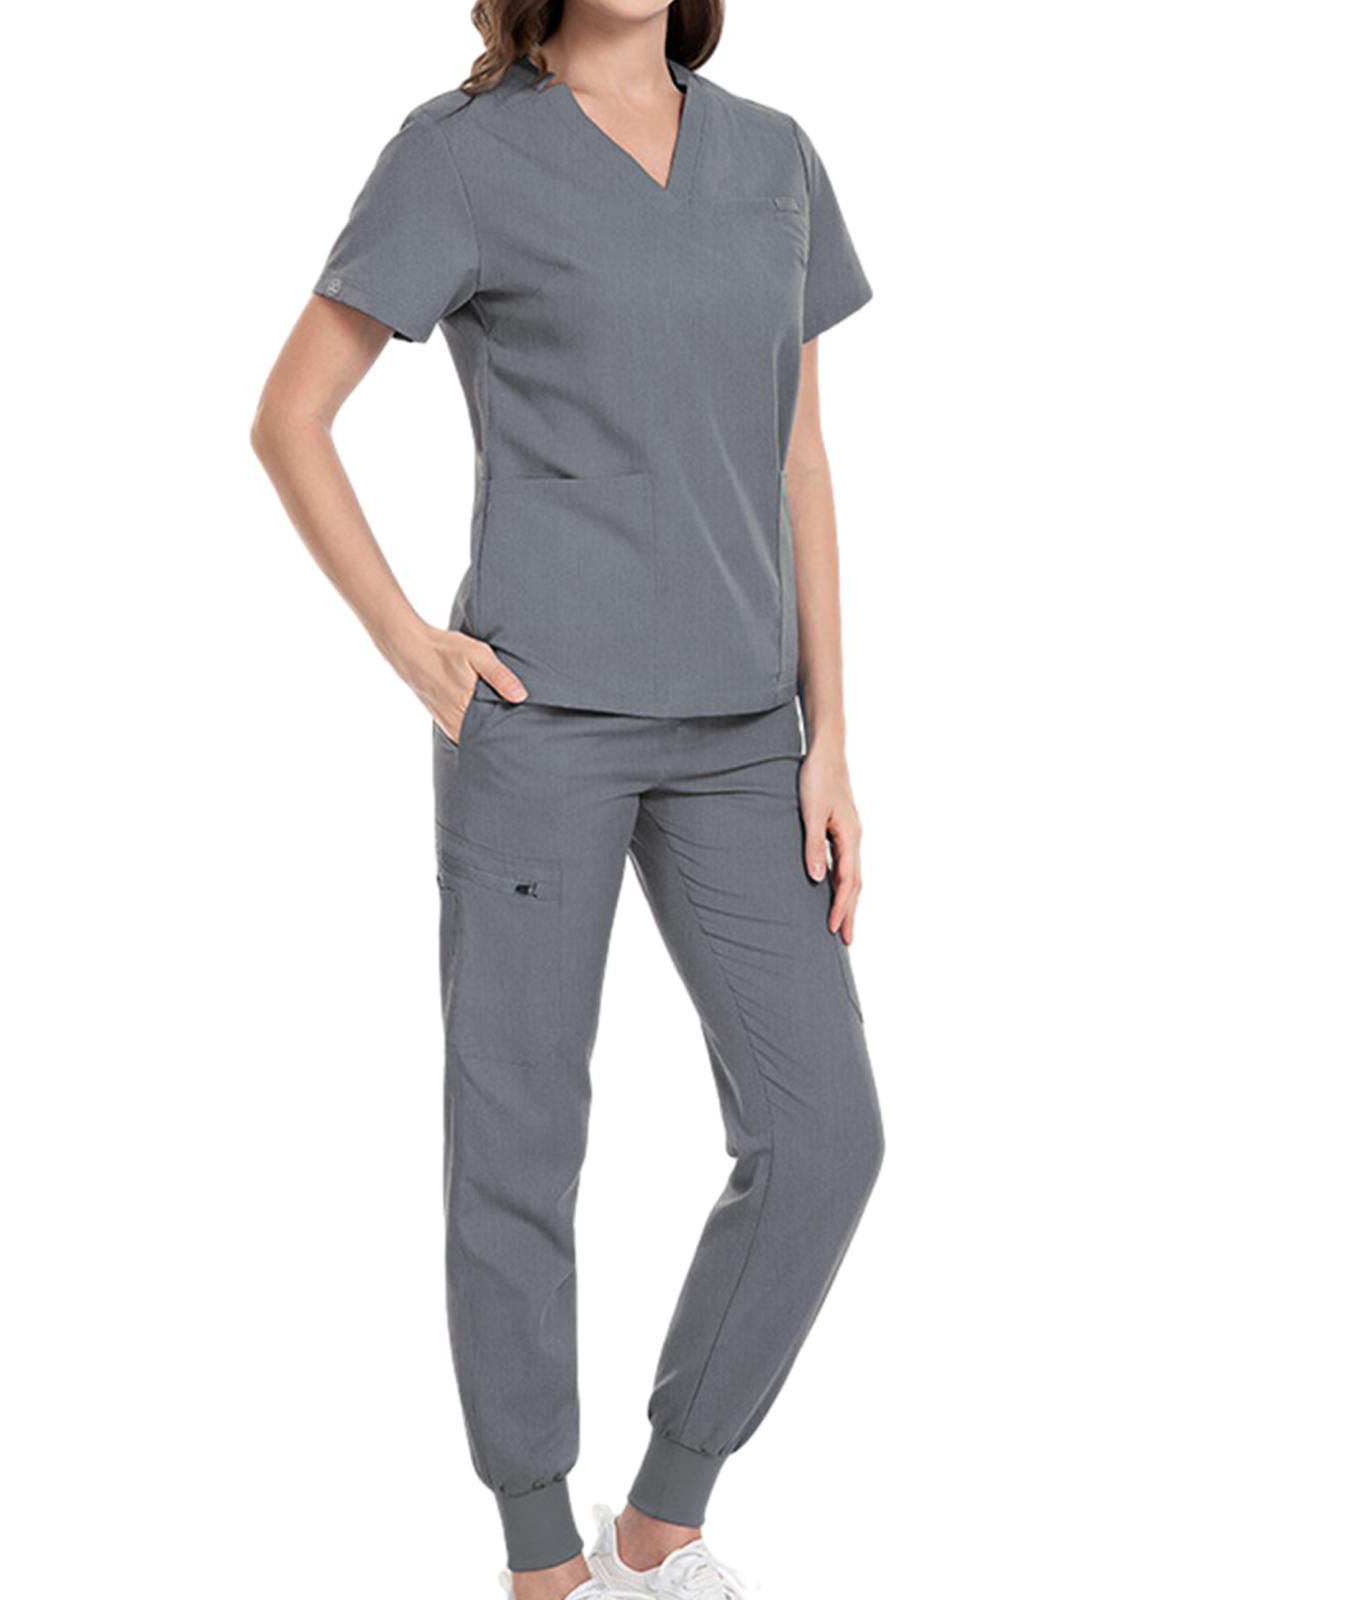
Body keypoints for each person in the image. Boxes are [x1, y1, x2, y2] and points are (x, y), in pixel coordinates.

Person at [251, 2, 884, 1595]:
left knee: (826, 1137)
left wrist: (830, 734)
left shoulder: (773, 157)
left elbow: (801, 459)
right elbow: (290, 416)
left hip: (745, 735)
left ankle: (660, 1527)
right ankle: (543, 1560)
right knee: (521, 1139)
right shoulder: (462, 156)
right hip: (540, 725)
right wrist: (413, 647)